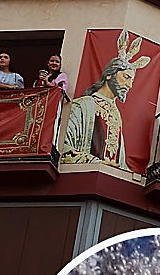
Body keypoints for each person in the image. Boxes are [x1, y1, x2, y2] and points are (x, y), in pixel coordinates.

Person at [61, 30, 152, 170]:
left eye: (132, 80)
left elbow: (119, 160)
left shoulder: (116, 114)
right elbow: (63, 145)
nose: (129, 85)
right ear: (109, 75)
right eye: (126, 77)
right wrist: (95, 163)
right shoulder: (84, 105)